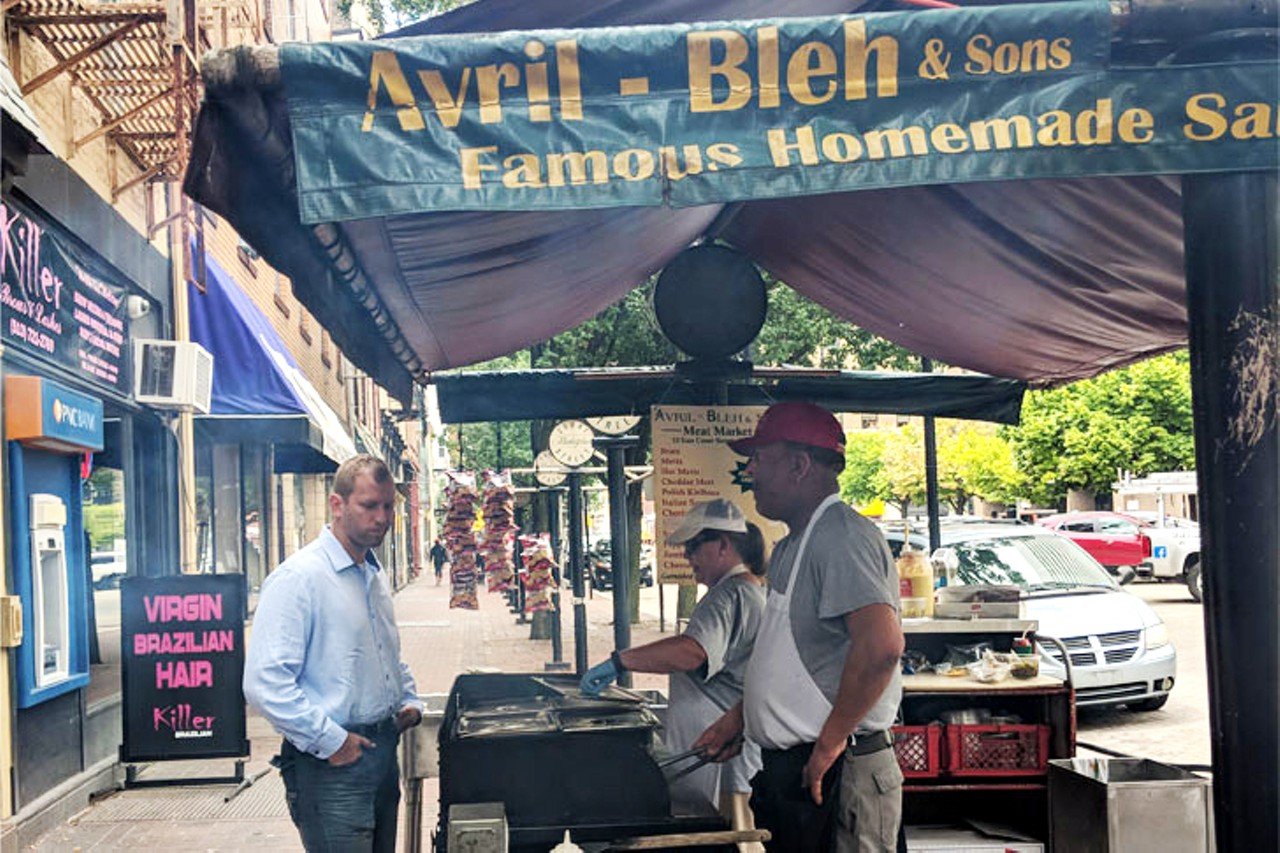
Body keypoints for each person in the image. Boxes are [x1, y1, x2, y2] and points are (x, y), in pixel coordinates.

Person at [694, 402, 904, 853]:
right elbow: (794, 655)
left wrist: (828, 745)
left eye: (759, 459)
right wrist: (742, 718)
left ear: (799, 465)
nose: (750, 472)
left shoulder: (841, 537)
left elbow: (881, 646)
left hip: (838, 766)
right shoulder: (791, 546)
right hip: (804, 766)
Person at [244, 455, 423, 853]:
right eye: (368, 505)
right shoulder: (299, 579)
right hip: (332, 767)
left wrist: (406, 699)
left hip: (381, 753)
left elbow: (384, 654)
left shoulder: (373, 575)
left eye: (388, 506)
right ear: (337, 505)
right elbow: (263, 683)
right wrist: (331, 741)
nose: (381, 518)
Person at [581, 499, 768, 833]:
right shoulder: (750, 590)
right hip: (729, 745)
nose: (687, 556)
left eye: (694, 546)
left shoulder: (727, 596)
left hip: (721, 748)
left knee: (731, 835)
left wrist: (620, 660)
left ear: (723, 545)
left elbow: (692, 652)